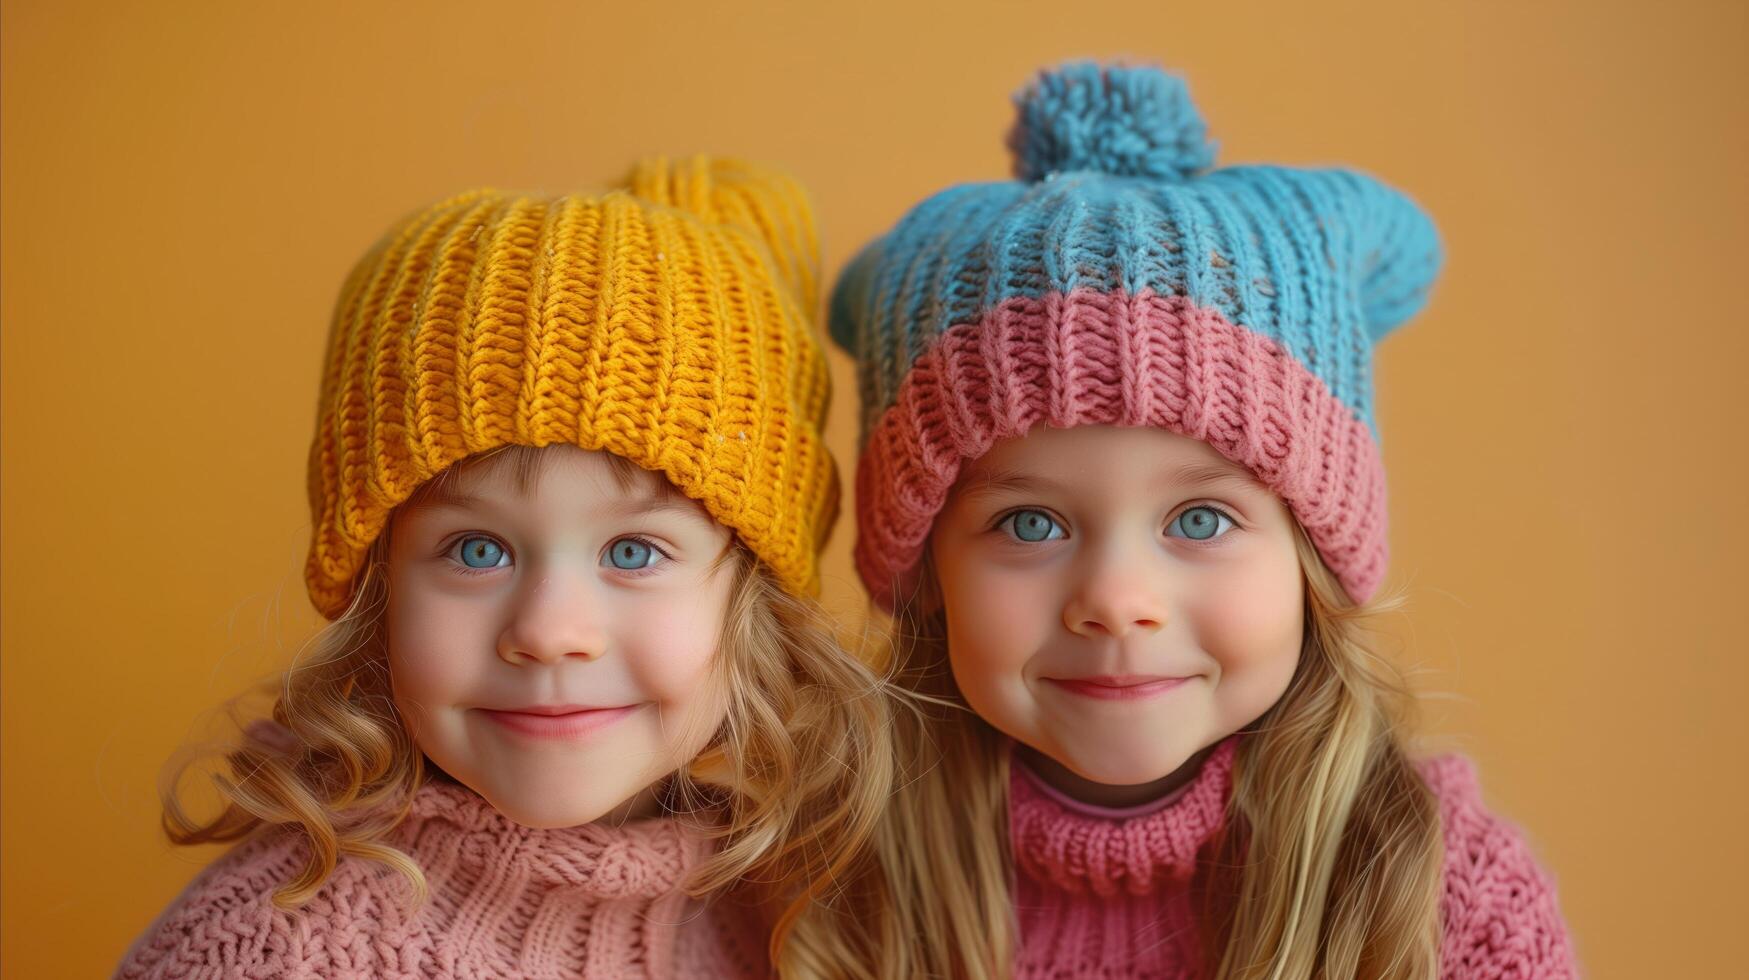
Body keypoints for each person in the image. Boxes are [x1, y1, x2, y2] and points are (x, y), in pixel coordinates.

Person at [826, 61, 1579, 979]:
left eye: (1200, 519)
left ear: (1314, 555)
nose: (1116, 602)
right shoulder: (827, 877)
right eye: (1028, 525)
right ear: (923, 573)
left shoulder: (1436, 893)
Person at [117, 155, 892, 979]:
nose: (549, 633)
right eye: (475, 550)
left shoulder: (776, 910)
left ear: (753, 595)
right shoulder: (273, 957)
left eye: (632, 552)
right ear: (376, 591)